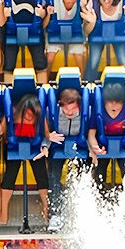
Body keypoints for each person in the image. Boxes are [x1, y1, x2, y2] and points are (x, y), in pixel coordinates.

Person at [0, 93, 49, 226]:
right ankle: (4, 211)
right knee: (10, 176)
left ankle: (46, 208)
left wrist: (44, 148)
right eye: (27, 113)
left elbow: (47, 135)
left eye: (32, 114)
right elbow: (1, 132)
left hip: (34, 147)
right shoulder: (12, 112)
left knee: (42, 176)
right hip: (14, 147)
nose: (29, 116)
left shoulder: (40, 116)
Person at [44, 86, 85, 231]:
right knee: (54, 179)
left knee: (81, 179)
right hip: (57, 146)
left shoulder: (86, 113)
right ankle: (55, 215)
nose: (69, 112)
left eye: (72, 109)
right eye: (65, 109)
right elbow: (46, 131)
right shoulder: (53, 113)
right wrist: (47, 140)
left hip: (80, 146)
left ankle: (82, 215)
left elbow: (92, 130)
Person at [87, 81, 125, 192]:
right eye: (110, 102)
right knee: (98, 174)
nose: (114, 105)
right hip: (103, 146)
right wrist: (95, 147)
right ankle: (99, 200)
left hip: (124, 146)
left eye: (118, 102)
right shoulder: (99, 111)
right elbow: (91, 133)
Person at [1, 0, 44, 80]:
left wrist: (42, 12)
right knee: (9, 62)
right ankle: (8, 88)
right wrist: (3, 9)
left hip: (33, 31)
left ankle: (43, 87)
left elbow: (44, 15)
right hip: (12, 32)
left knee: (40, 61)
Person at [86, 0, 125, 80]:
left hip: (118, 36)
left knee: (124, 61)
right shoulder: (94, 3)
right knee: (93, 61)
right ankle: (89, 84)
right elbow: (85, 13)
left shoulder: (122, 3)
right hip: (98, 35)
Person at [45, 0, 89, 77]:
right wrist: (48, 13)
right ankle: (46, 79)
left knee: (79, 56)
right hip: (56, 35)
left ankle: (82, 80)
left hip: (74, 36)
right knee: (50, 57)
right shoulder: (55, 2)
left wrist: (84, 6)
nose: (70, 0)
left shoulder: (80, 3)